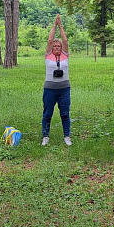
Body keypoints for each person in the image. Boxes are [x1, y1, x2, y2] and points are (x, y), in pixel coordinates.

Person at [42, 14, 71, 147]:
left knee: (65, 113)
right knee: (47, 113)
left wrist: (61, 25)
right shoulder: (48, 56)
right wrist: (54, 25)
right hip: (50, 90)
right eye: (55, 47)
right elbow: (49, 40)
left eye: (58, 46)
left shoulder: (65, 55)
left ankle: (67, 136)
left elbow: (65, 40)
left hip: (64, 89)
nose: (57, 48)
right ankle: (45, 136)